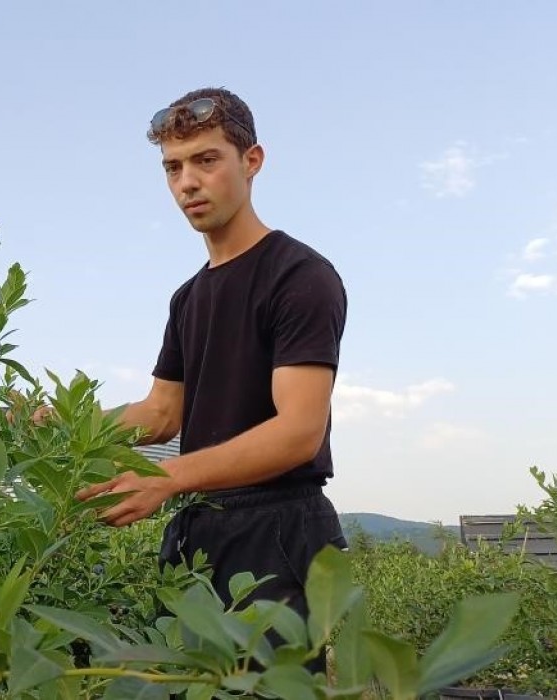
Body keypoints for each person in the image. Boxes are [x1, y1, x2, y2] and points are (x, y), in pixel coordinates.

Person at [72, 87, 349, 677]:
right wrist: (72, 426)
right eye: (173, 167)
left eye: (206, 160)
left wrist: (167, 478)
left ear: (252, 161)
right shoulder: (188, 297)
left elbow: (299, 432)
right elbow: (162, 412)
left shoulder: (300, 275)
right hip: (197, 533)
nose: (187, 183)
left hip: (276, 530)